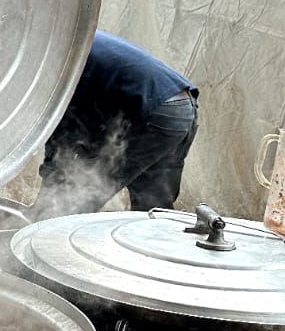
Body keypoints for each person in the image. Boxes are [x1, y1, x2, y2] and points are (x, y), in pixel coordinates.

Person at [34, 31, 198, 218]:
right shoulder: (75, 34)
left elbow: (61, 127)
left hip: (154, 111)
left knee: (76, 199)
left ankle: (47, 231)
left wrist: (48, 190)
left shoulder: (56, 55)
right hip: (182, 106)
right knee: (153, 208)